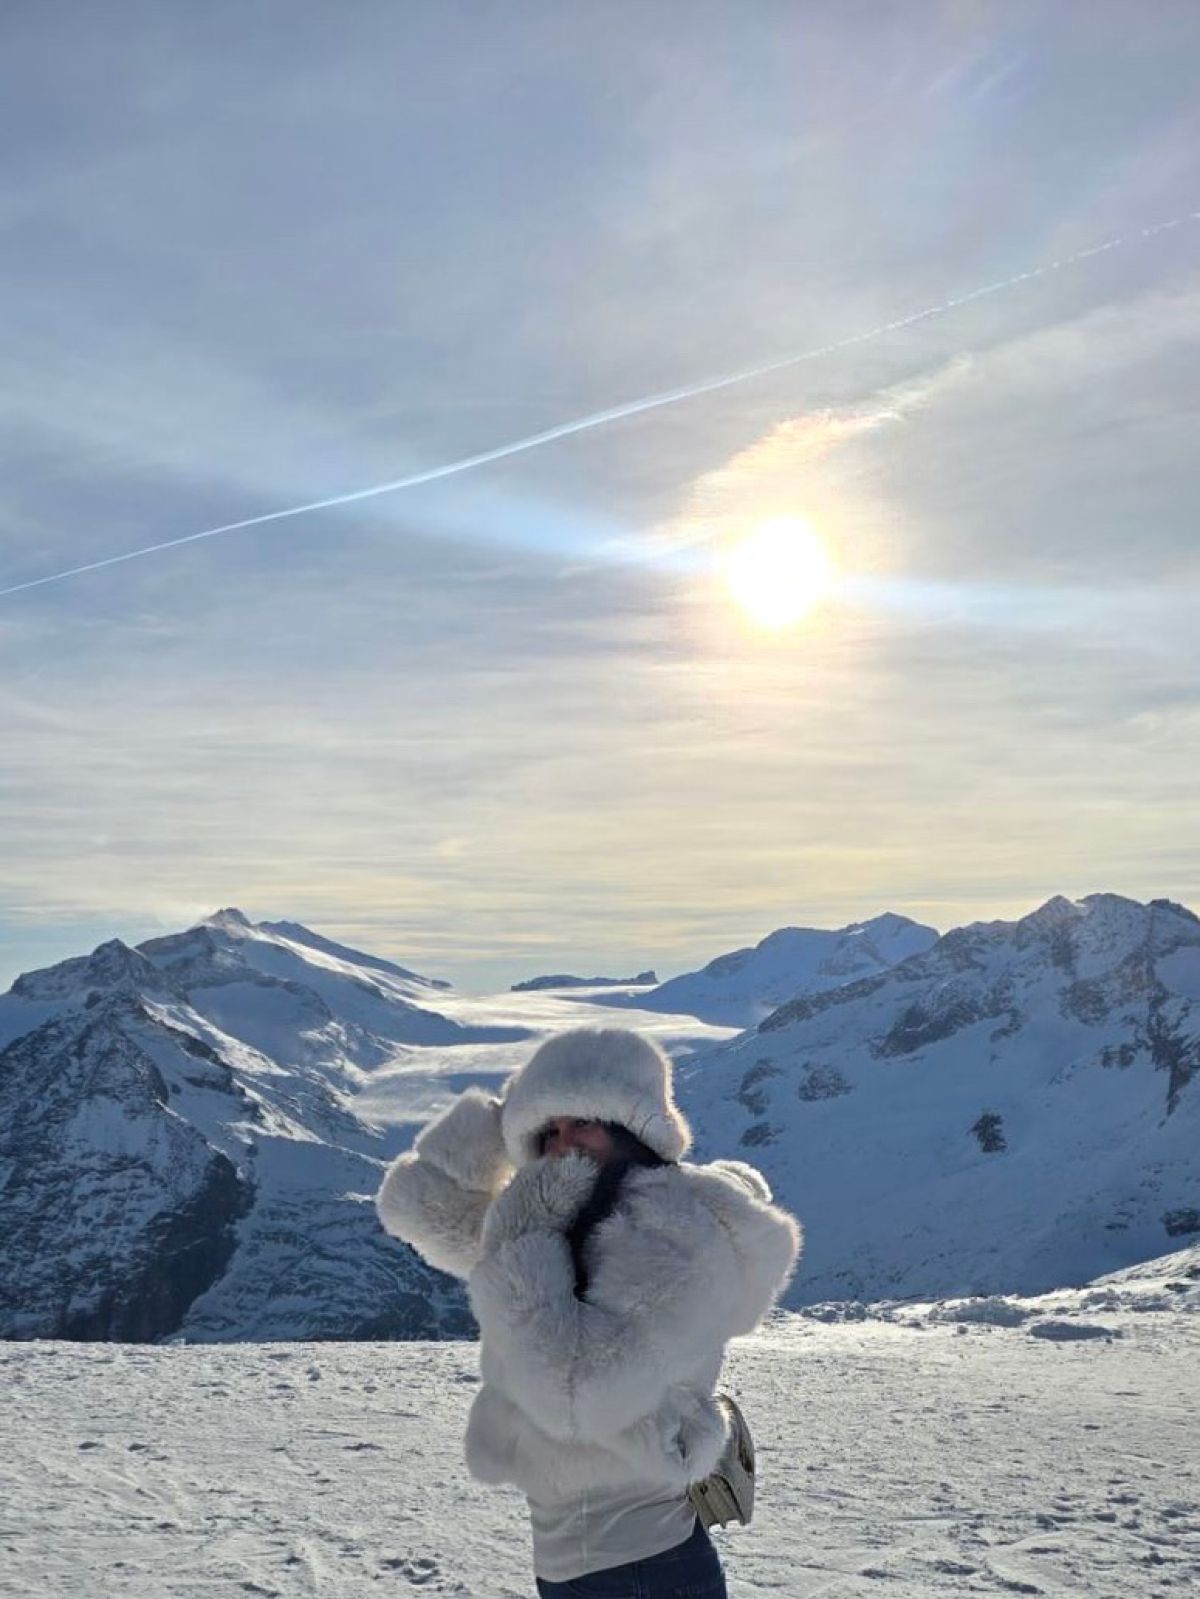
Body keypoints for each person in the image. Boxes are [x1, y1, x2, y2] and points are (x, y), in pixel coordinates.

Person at [375, 1026, 802, 1597]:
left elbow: (575, 1394)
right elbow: (419, 1210)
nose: (563, 1145)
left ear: (631, 1126)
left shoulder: (672, 1233)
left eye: (584, 1122)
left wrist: (523, 1232)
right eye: (548, 1131)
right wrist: (493, 1129)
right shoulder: (577, 1218)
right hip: (584, 1559)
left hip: (639, 1566)